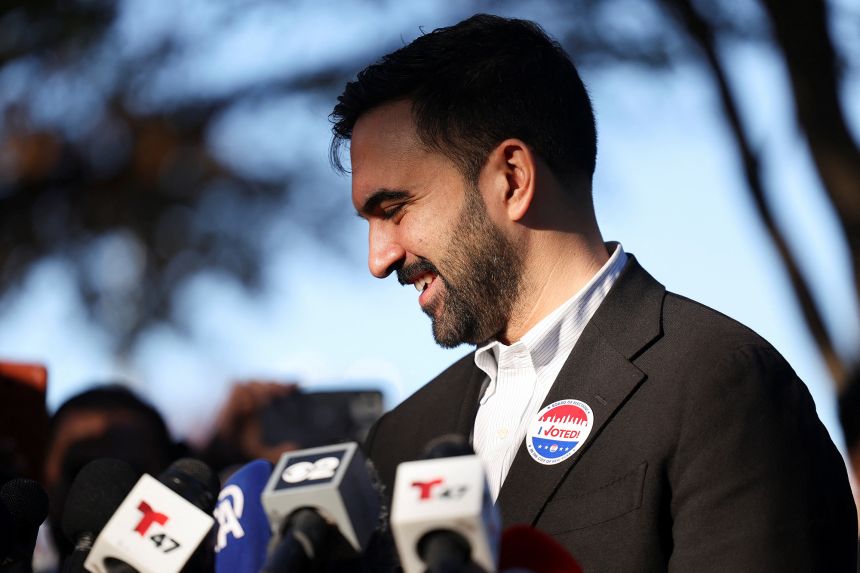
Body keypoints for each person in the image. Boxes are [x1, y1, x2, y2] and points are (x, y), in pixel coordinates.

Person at [329, 13, 858, 571]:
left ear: (512, 178)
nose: (378, 259)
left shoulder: (719, 386)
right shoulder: (398, 441)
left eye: (395, 209)